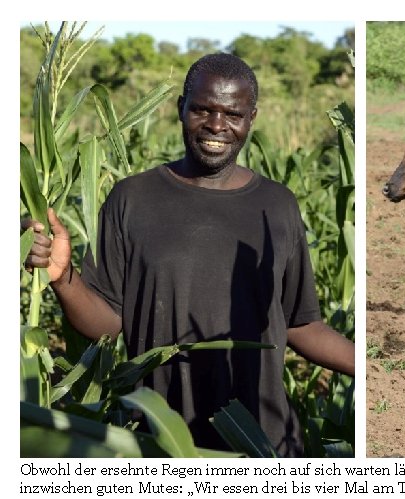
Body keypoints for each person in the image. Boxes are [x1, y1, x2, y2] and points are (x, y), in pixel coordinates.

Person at [22, 53, 355, 457]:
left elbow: (302, 325)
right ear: (181, 107)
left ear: (252, 117)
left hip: (261, 440)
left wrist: (375, 373)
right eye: (202, 109)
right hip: (160, 435)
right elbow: (108, 324)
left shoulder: (277, 205)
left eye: (232, 114)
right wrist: (62, 277)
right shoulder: (133, 198)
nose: (216, 126)